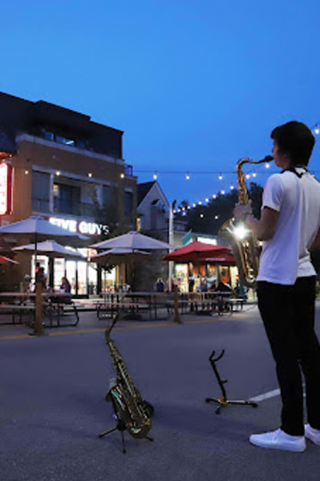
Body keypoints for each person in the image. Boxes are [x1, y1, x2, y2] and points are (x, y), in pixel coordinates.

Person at [234, 121, 320, 452]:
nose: (270, 152)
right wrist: (296, 240)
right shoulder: (316, 186)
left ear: (283, 150)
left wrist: (245, 216)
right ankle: (315, 426)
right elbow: (316, 241)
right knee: (309, 353)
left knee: (284, 356)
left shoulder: (277, 182)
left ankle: (291, 432)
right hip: (304, 275)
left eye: (273, 146)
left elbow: (264, 232)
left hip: (275, 279)